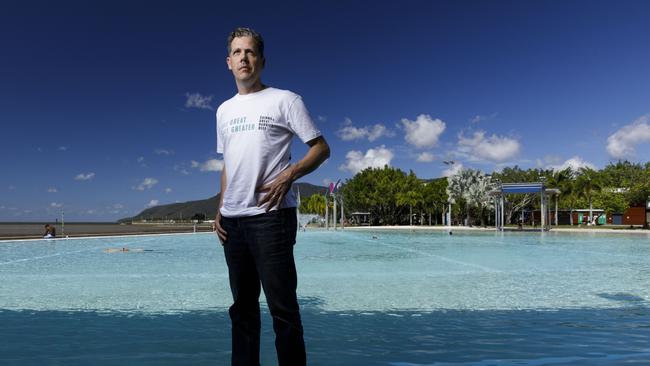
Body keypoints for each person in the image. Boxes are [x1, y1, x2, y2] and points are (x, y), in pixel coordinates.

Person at [213, 27, 330, 366]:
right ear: (228, 62)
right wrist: (220, 207)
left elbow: (321, 149)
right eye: (237, 52)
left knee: (283, 310)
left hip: (272, 217)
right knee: (243, 311)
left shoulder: (285, 100)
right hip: (233, 224)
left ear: (261, 60)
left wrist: (290, 174)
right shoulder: (222, 111)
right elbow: (227, 164)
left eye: (249, 52)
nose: (243, 58)